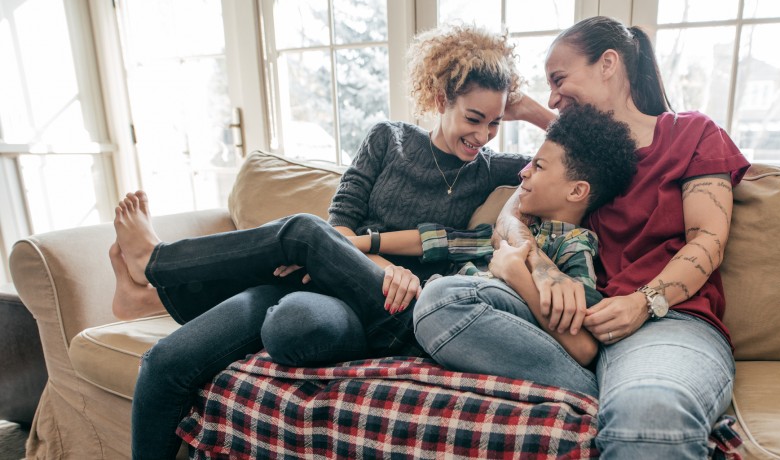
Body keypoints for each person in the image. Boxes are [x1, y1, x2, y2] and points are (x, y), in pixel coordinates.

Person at [110, 25, 531, 460]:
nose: (483, 136)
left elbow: (568, 155)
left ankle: (156, 264)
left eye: (495, 122)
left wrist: (529, 109)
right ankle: (153, 289)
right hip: (324, 286)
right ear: (442, 100)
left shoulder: (489, 168)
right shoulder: (388, 139)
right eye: (474, 119)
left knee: (303, 234)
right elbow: (340, 228)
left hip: (393, 305)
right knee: (169, 362)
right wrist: (386, 263)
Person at [451, 16, 750, 458]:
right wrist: (544, 268)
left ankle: (617, 390)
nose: (552, 95)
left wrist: (643, 302)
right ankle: (602, 384)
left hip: (664, 320)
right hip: (572, 316)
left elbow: (707, 238)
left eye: (559, 79)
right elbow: (510, 219)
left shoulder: (691, 134)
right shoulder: (573, 153)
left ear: (608, 63)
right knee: (446, 299)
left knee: (648, 415)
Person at [354, 103, 637, 397]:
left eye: (538, 166)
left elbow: (585, 348)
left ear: (577, 191)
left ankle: (582, 390)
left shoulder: (573, 244)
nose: (523, 173)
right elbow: (440, 240)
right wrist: (359, 242)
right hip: (442, 316)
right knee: (431, 296)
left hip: (455, 308)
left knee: (438, 297)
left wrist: (518, 276)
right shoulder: (505, 233)